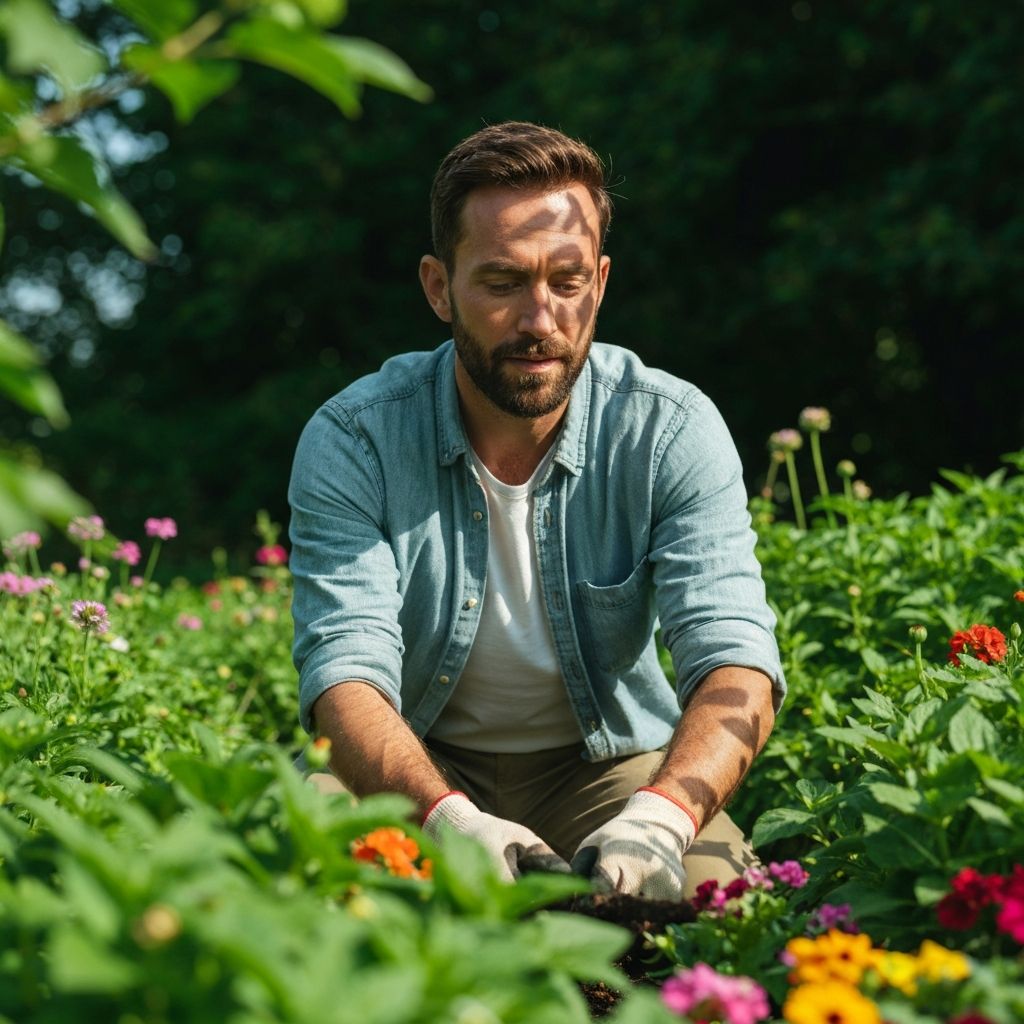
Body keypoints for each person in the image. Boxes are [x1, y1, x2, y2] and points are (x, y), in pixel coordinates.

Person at [288, 121, 785, 900]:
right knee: (302, 869)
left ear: (601, 282)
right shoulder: (357, 439)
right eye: (503, 283)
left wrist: (661, 818)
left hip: (608, 769)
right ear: (438, 287)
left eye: (567, 280)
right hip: (414, 757)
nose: (540, 320)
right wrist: (446, 819)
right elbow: (345, 671)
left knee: (729, 912)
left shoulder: (669, 429)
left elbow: (737, 658)